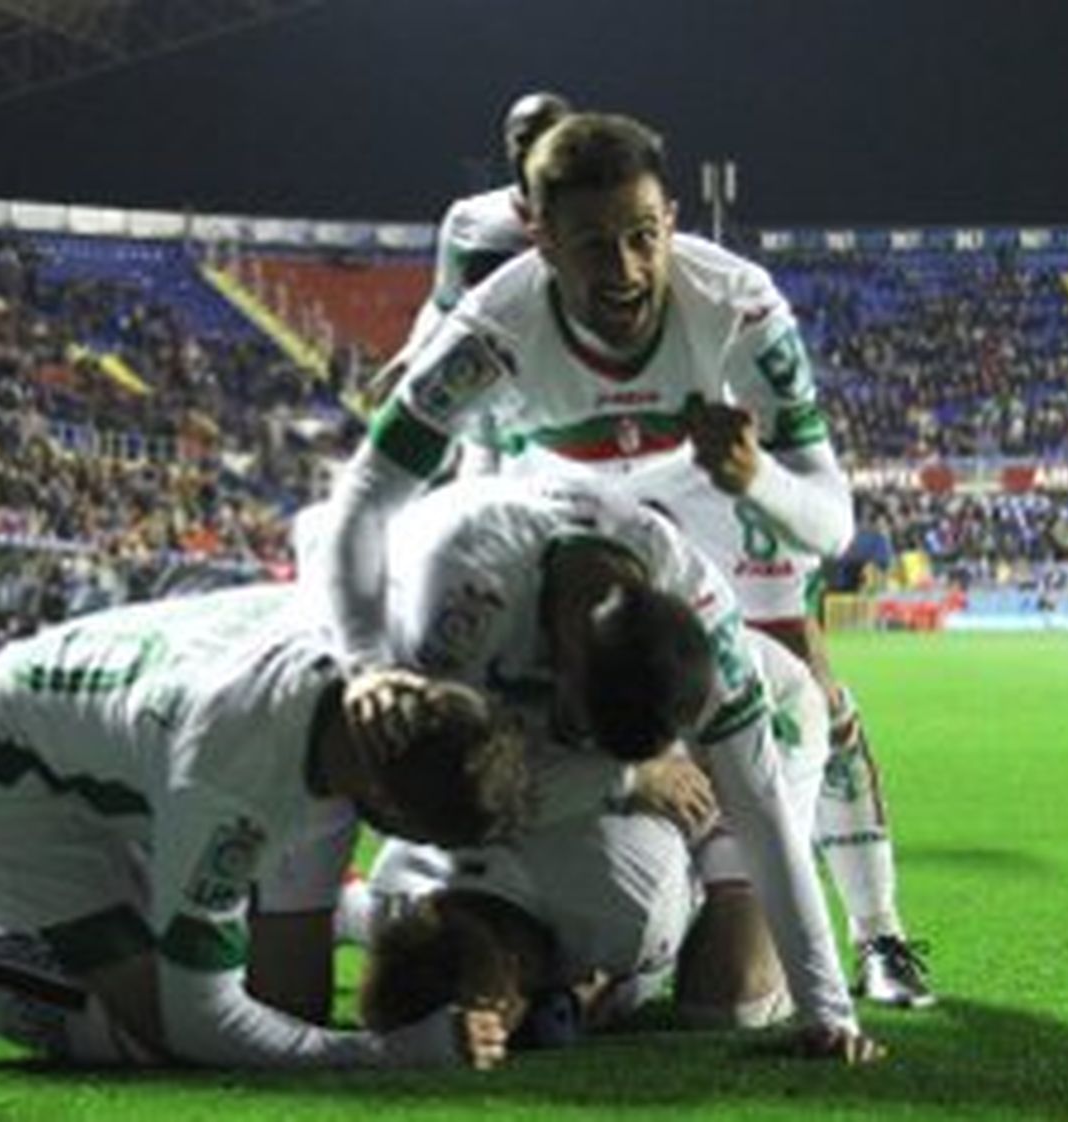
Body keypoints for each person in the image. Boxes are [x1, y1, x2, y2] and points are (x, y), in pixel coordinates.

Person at [321, 111, 931, 1008]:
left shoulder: (739, 304)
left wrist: (757, 476)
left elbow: (832, 523)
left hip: (711, 486)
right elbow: (367, 494)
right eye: (593, 245)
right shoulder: (492, 318)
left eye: (644, 237)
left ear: (670, 220)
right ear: (540, 234)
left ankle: (879, 933)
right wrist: (368, 665)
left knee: (806, 689)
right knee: (516, 708)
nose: (626, 268)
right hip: (556, 491)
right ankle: (501, 913)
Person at [0, 584, 531, 1070]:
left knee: (257, 972)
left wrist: (443, 935)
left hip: (47, 741)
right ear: (384, 805)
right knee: (149, 1029)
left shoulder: (346, 648)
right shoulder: (233, 785)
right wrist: (389, 1053)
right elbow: (205, 1022)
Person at [324, 477, 881, 1062]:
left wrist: (829, 1013)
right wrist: (626, 779)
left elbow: (763, 815)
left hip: (742, 737)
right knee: (449, 795)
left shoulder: (717, 642)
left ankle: (697, 875)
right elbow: (409, 776)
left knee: (734, 1000)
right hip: (531, 757)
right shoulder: (454, 597)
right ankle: (607, 977)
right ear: (560, 659)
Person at [359, 627, 833, 1049]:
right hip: (604, 732)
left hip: (729, 710)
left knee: (731, 999)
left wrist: (631, 778)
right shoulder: (392, 892)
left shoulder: (629, 903)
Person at [368, 90, 572, 403]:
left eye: (548, 138)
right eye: (523, 139)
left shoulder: (606, 221)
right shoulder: (468, 217)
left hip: (569, 394)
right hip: (486, 398)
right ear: (507, 144)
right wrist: (412, 354)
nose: (534, 149)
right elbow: (444, 304)